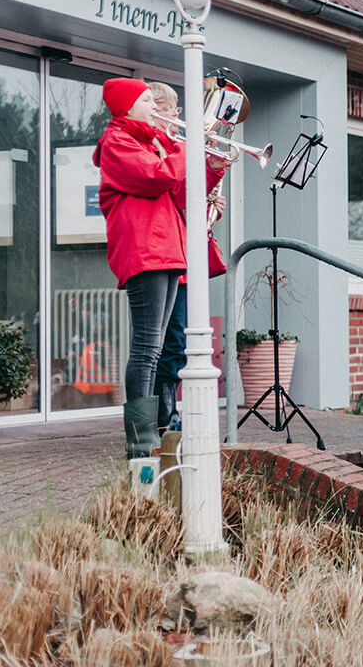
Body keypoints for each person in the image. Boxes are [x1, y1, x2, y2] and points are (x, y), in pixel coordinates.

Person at [92, 77, 218, 458]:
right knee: (147, 349)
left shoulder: (152, 142)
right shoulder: (118, 142)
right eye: (147, 100)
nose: (154, 106)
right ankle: (140, 441)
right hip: (144, 252)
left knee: (159, 347)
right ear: (127, 107)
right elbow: (155, 177)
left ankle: (152, 437)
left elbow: (181, 192)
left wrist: (213, 166)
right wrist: (190, 146)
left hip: (166, 250)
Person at [147, 82, 228, 435]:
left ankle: (171, 413)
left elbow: (186, 198)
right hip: (164, 256)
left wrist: (214, 174)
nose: (178, 114)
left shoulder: (172, 147)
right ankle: (163, 417)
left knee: (178, 342)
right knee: (164, 343)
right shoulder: (156, 148)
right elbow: (173, 192)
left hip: (182, 256)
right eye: (171, 108)